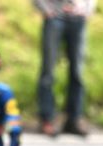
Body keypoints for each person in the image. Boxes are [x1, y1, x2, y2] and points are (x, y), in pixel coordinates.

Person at [35, 0, 95, 137]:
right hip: (55, 16)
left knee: (77, 72)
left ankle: (74, 119)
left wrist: (87, 9)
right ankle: (47, 119)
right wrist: (45, 9)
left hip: (77, 17)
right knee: (48, 71)